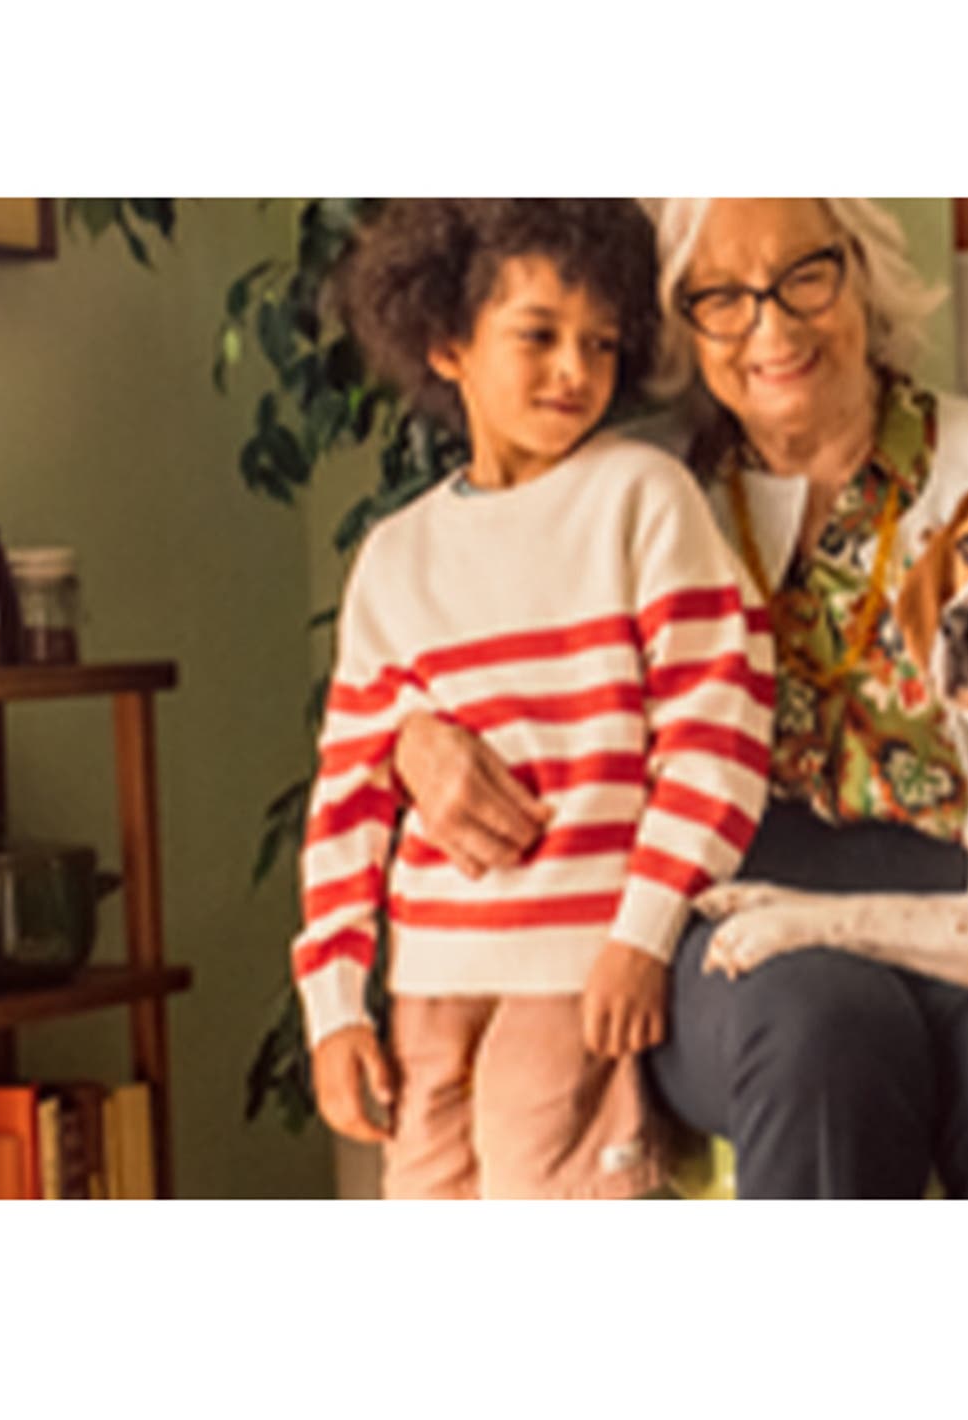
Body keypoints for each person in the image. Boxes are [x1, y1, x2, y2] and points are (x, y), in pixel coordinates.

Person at [387, 198, 968, 1198]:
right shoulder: (630, 484)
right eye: (723, 297)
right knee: (822, 1028)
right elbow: (467, 642)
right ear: (682, 321)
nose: (773, 327)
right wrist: (414, 744)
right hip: (716, 898)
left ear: (863, 278)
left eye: (805, 275)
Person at [293, 199, 775, 1200]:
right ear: (445, 342)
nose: (574, 371)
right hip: (429, 987)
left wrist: (642, 936)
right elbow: (348, 797)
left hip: (581, 978)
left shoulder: (642, 501)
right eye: (539, 335)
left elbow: (717, 739)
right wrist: (335, 1005)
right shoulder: (393, 561)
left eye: (600, 343)